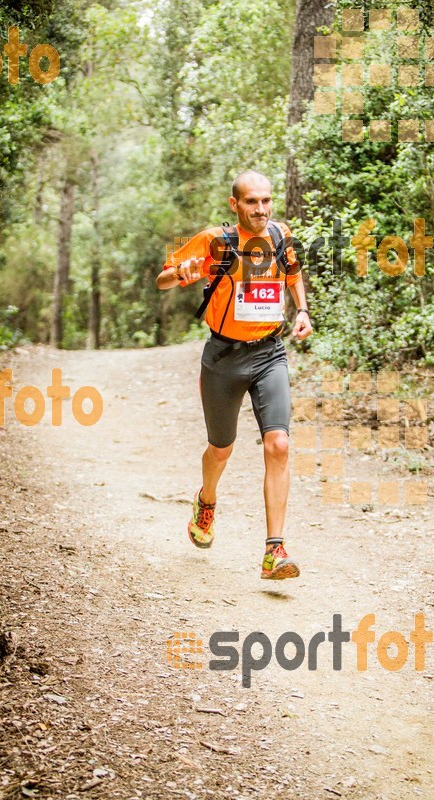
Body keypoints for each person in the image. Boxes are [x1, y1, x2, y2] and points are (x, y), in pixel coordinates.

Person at [156, 170, 312, 579]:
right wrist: (183, 273)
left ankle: (274, 551)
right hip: (223, 358)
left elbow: (293, 274)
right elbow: (163, 278)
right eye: (251, 202)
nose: (261, 209)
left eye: (266, 201)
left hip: (269, 354)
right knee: (220, 450)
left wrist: (303, 311)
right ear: (234, 205)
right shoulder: (214, 241)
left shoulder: (280, 235)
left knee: (278, 445)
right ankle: (206, 501)